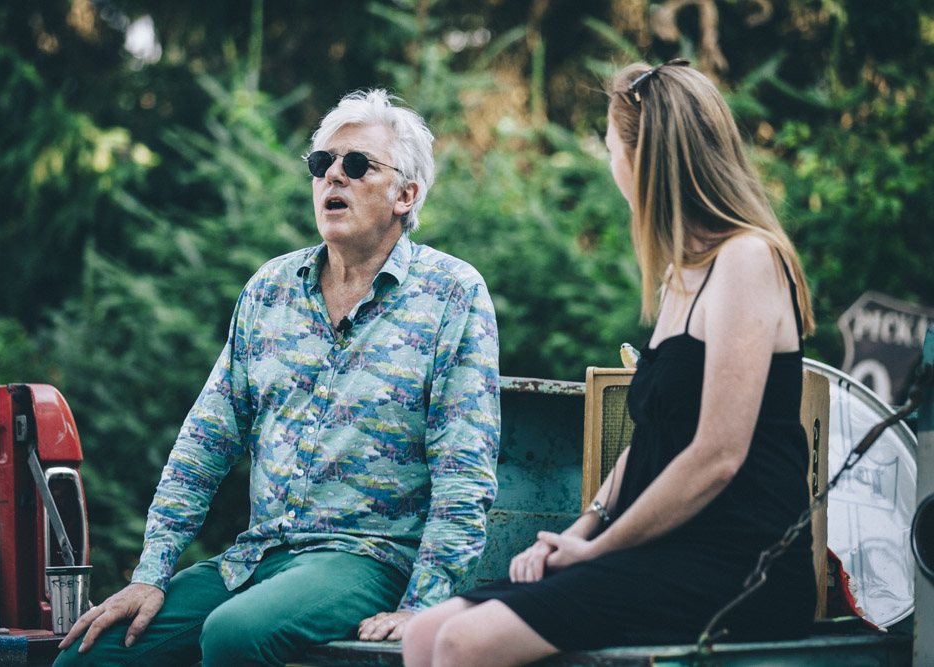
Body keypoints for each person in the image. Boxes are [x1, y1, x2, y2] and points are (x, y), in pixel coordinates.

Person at [54, 89, 500, 667]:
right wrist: (151, 573)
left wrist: (425, 603)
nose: (333, 175)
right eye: (322, 163)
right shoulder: (270, 289)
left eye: (357, 164)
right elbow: (204, 443)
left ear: (405, 195)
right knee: (90, 654)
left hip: (370, 559)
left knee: (234, 634)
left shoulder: (452, 293)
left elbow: (465, 471)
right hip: (258, 557)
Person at [402, 60, 818, 667]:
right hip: (659, 554)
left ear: (644, 158)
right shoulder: (682, 275)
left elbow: (717, 456)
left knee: (464, 643)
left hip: (738, 565)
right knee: (423, 635)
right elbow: (652, 441)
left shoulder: (747, 260)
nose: (609, 162)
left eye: (610, 147)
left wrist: (601, 551)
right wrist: (576, 534)